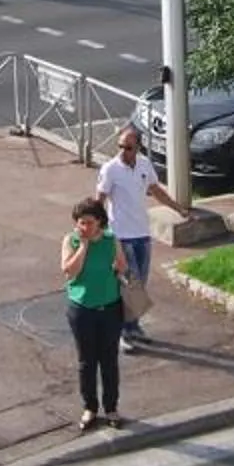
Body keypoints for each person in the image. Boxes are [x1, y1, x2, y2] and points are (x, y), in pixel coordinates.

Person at [95, 123, 189, 351]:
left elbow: (156, 191)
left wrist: (178, 209)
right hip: (121, 236)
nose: (122, 152)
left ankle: (133, 327)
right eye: (120, 146)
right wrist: (97, 230)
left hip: (142, 235)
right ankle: (123, 332)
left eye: (128, 148)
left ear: (138, 147)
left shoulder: (144, 165)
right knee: (130, 284)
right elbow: (99, 199)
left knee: (140, 285)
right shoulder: (110, 169)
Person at [62, 197, 126, 430]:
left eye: (89, 222)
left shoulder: (111, 240)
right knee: (87, 362)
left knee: (109, 361)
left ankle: (111, 408)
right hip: (82, 309)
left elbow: (122, 266)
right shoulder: (71, 241)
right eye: (81, 222)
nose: (84, 227)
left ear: (100, 222)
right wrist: (84, 247)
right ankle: (90, 407)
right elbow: (69, 272)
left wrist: (117, 269)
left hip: (110, 308)